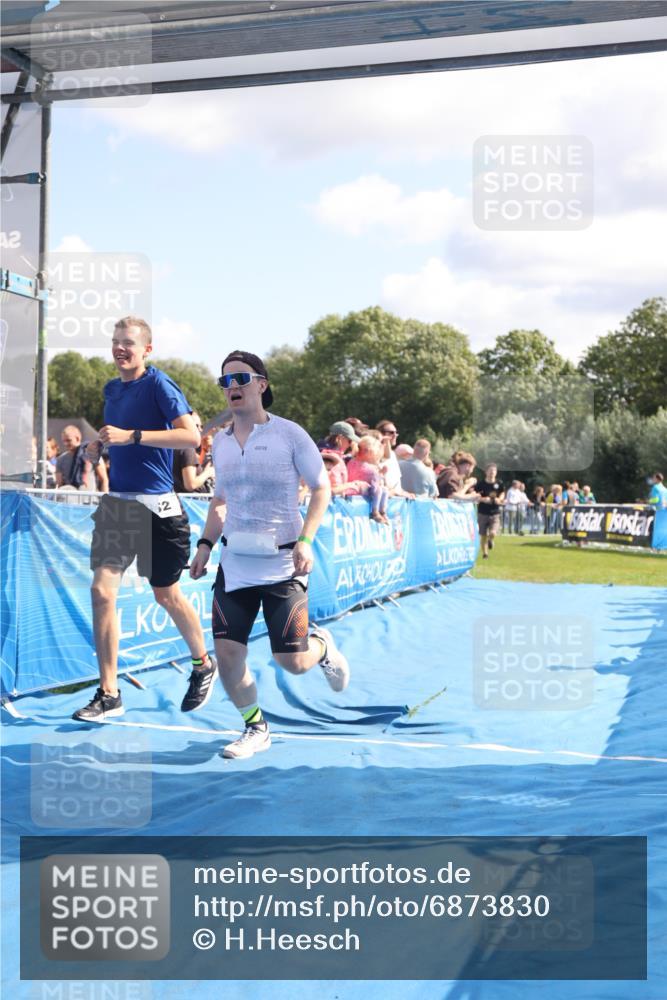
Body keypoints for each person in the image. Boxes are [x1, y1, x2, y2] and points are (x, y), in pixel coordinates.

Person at [190, 350, 350, 760]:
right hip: (235, 566)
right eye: (225, 382)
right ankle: (255, 726)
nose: (232, 388)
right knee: (227, 653)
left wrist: (307, 539)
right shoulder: (221, 444)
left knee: (291, 662)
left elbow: (321, 489)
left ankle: (323, 648)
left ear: (261, 384)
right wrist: (205, 546)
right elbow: (220, 501)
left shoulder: (289, 435)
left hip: (283, 565)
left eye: (241, 378)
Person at [72, 316, 217, 722]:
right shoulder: (111, 388)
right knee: (102, 592)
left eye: (129, 343)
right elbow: (115, 438)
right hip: (118, 506)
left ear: (146, 350)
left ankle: (203, 662)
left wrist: (132, 435)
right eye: (116, 341)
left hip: (158, 508)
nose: (120, 348)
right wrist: (97, 446)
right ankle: (109, 692)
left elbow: (190, 437)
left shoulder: (160, 384)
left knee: (165, 594)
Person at [347, 435, 390, 523]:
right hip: (357, 489)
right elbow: (375, 486)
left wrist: (380, 474)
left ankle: (382, 511)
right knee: (380, 490)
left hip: (355, 488)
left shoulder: (352, 461)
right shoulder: (369, 469)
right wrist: (380, 475)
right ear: (368, 452)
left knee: (384, 490)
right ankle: (375, 511)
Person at [56, 424, 109, 493]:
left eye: (68, 440)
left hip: (90, 500)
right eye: (64, 441)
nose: (65, 444)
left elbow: (104, 480)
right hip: (68, 500)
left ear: (77, 438)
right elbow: (59, 484)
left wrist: (105, 501)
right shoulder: (61, 459)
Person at [172, 411, 215, 494]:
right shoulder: (187, 448)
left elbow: (192, 467)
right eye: (196, 426)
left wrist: (204, 450)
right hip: (193, 503)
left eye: (201, 426)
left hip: (184, 502)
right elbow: (190, 485)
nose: (200, 429)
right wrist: (208, 473)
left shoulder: (174, 446)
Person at [477, 464, 505, 558]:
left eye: (494, 471)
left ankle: (491, 540)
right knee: (483, 535)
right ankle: (485, 553)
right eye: (490, 470)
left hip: (495, 512)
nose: (492, 472)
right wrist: (483, 499)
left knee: (493, 532)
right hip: (483, 512)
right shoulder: (481, 484)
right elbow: (475, 495)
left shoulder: (499, 483)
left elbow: (502, 493)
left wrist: (499, 499)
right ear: (486, 472)